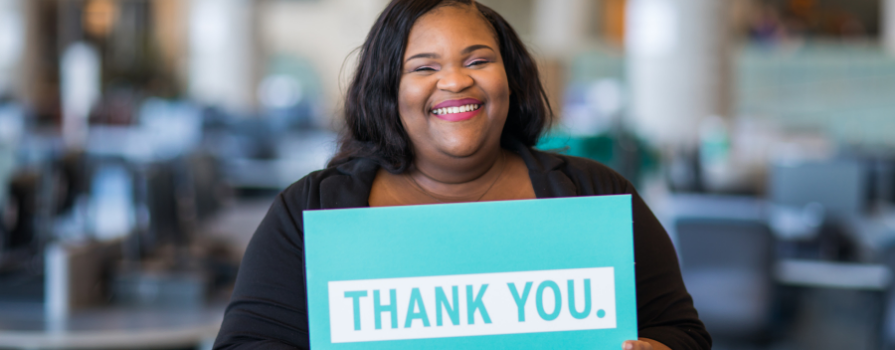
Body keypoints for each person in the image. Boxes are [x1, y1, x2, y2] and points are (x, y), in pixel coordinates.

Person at [213, 1, 711, 349]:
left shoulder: (595, 194)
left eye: (478, 60)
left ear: (510, 81)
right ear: (388, 90)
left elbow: (681, 331)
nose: (455, 81)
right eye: (424, 67)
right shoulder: (311, 212)